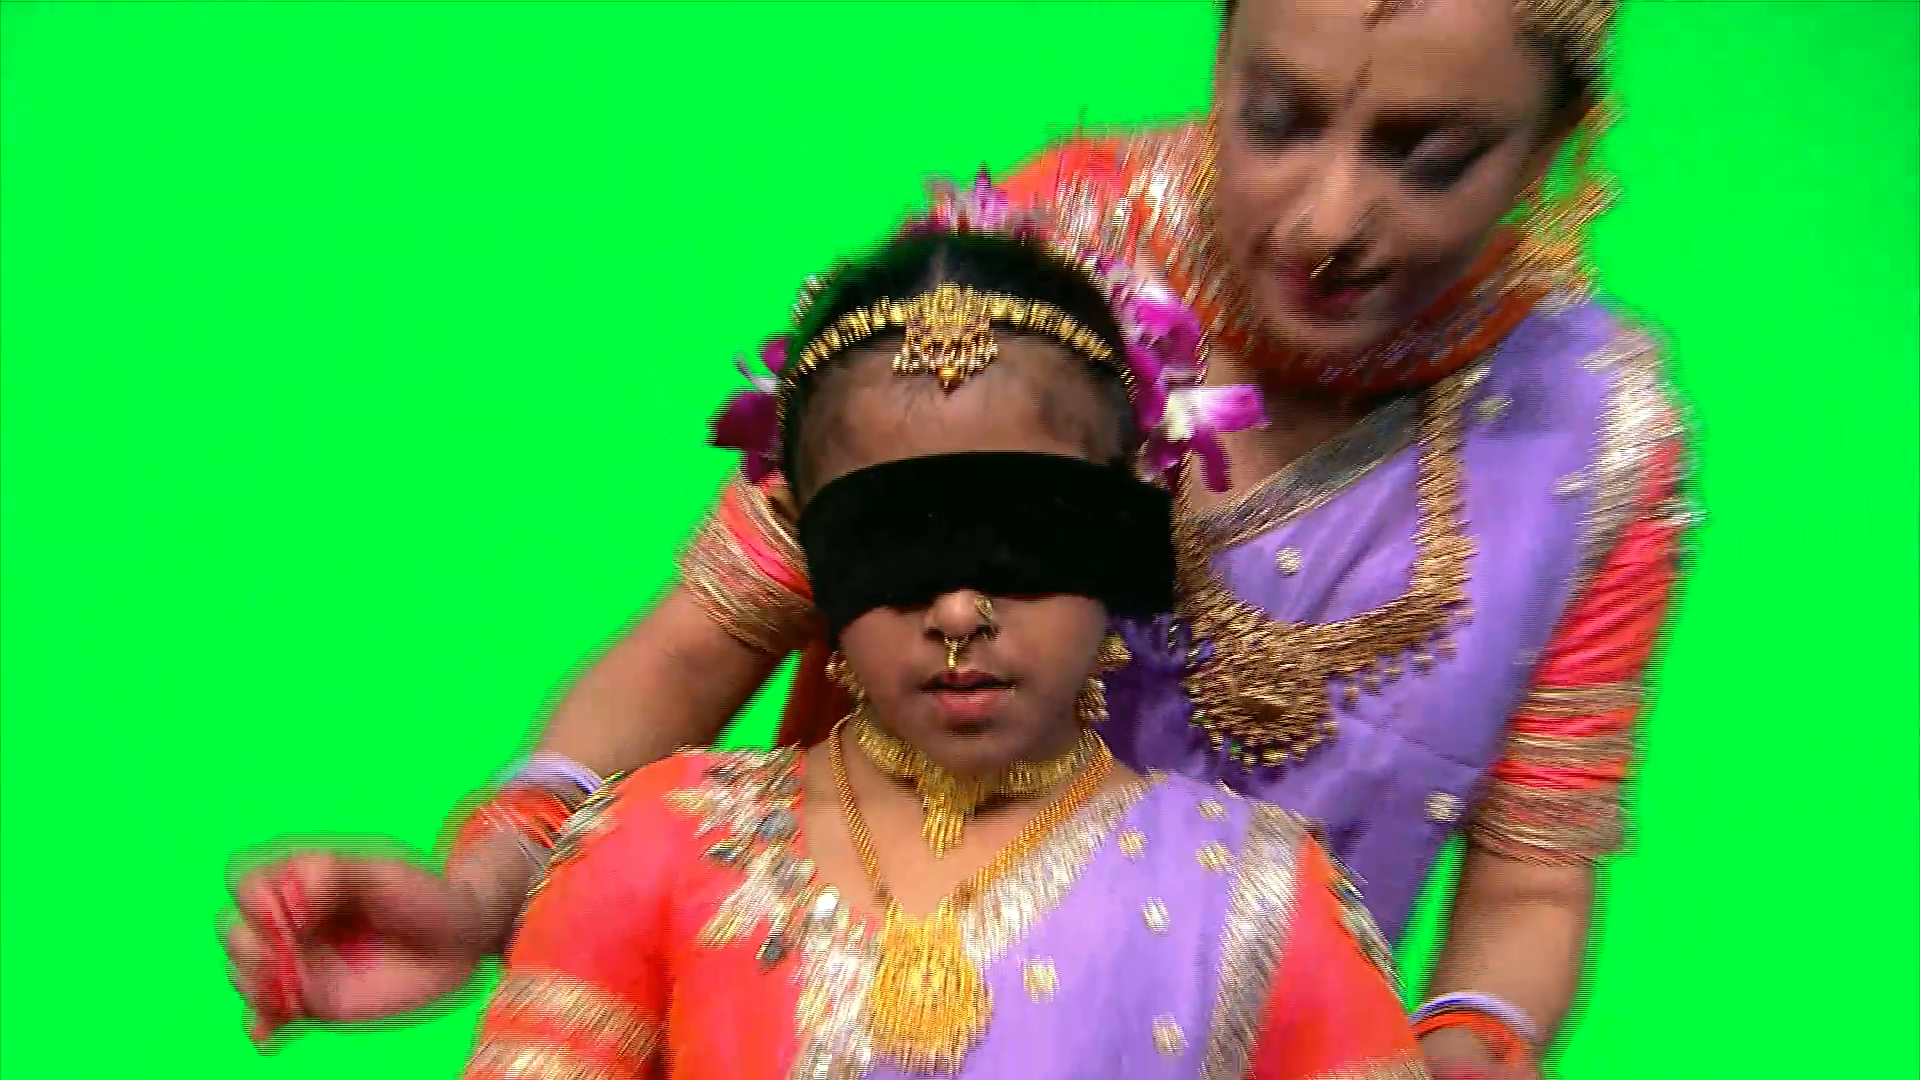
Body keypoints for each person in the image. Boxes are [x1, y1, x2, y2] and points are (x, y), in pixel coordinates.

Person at [224, 0, 1692, 1075]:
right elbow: (704, 636)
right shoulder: (1047, 270)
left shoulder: (1596, 446)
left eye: (1428, 157)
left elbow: (1533, 870)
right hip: (823, 989)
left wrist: (1457, 1049)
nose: (1328, 217)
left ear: (1560, 147)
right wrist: (485, 894)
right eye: (1278, 116)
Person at [464, 227, 1423, 1080]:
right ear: (805, 541)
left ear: (1131, 520)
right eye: (895, 546)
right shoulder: (652, 847)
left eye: (1025, 540)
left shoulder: (1260, 896)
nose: (960, 611)